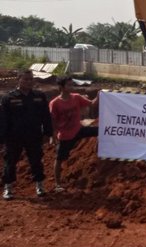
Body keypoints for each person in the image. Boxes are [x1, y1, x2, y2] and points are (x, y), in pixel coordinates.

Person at [1, 69, 53, 200]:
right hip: (14, 137)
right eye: (25, 79)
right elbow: (3, 119)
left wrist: (48, 132)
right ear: (18, 80)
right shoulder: (9, 98)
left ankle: (39, 186)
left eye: (31, 79)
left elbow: (46, 117)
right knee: (10, 162)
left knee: (36, 161)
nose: (29, 82)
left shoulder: (39, 96)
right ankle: (8, 187)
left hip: (34, 135)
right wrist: (2, 137)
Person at [49, 76, 99, 192]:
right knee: (59, 158)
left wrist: (98, 96)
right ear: (61, 87)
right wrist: (52, 135)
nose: (71, 87)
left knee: (99, 131)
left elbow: (91, 104)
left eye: (72, 84)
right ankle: (58, 184)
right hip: (65, 136)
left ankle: (99, 148)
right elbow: (52, 121)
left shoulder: (76, 97)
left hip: (79, 129)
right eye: (69, 85)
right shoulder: (55, 103)